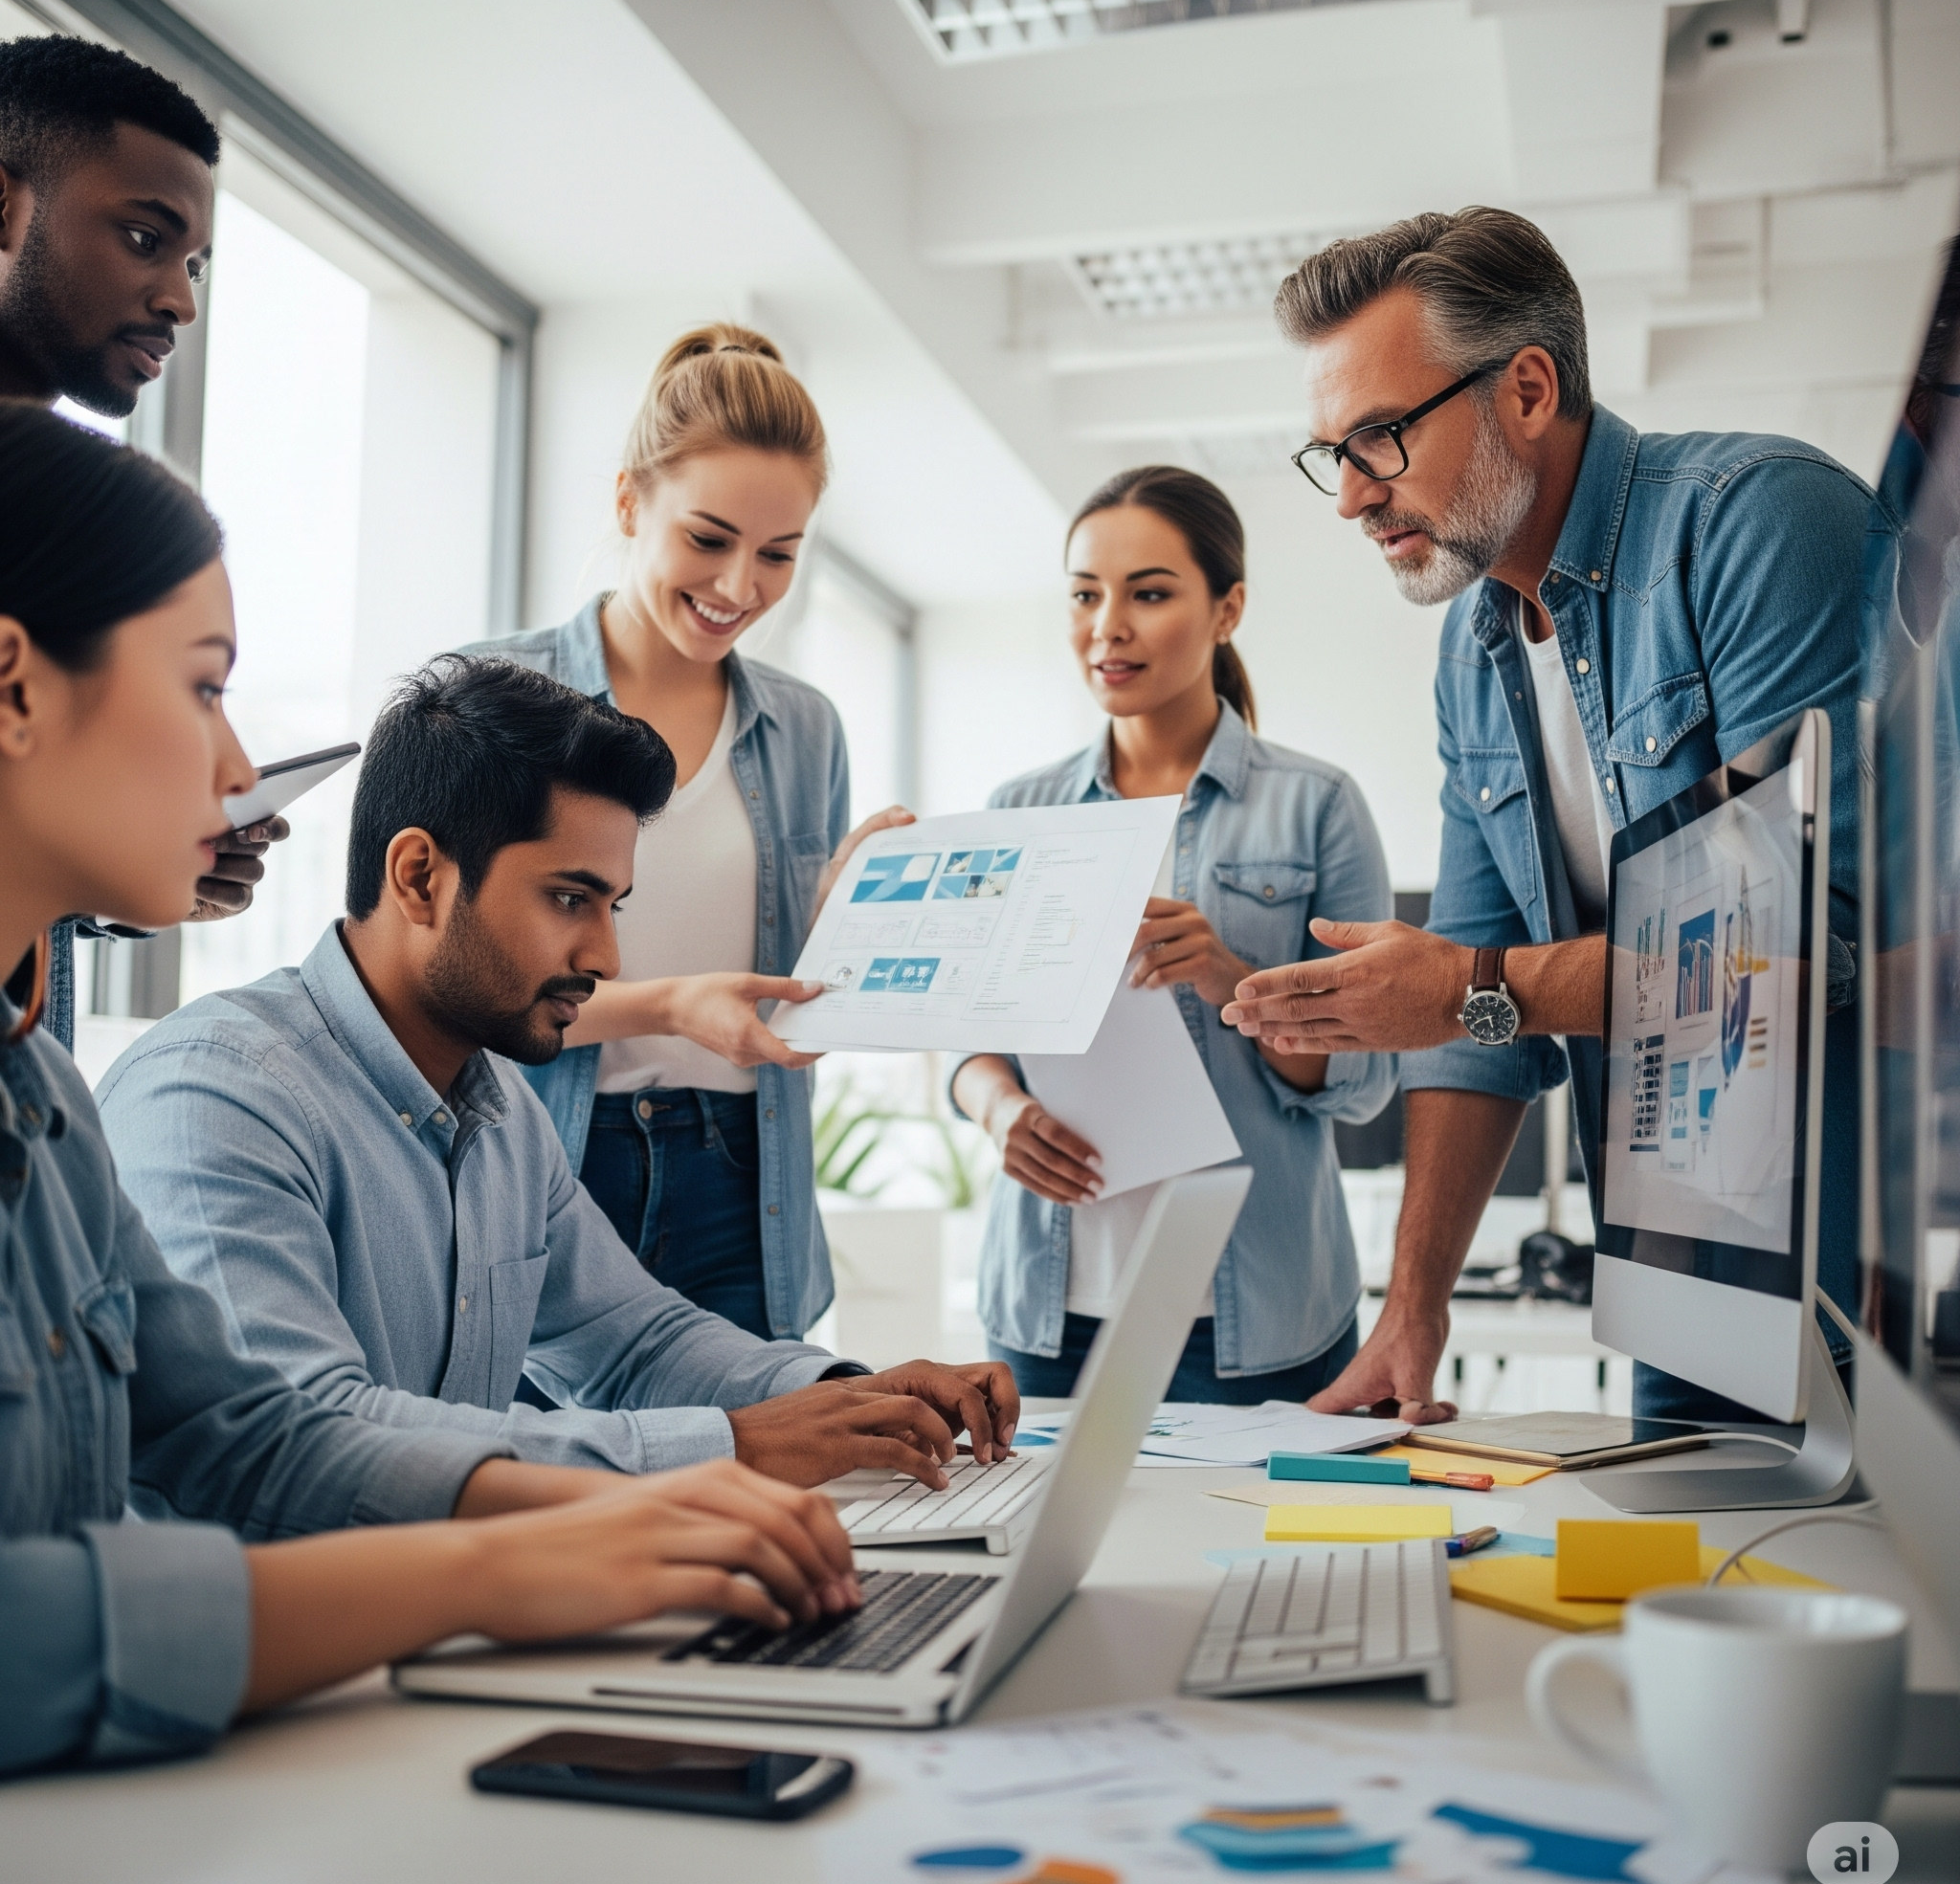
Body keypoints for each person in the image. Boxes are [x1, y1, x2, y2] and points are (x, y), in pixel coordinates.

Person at [0, 402, 861, 1781]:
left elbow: (246, 1433)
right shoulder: (210, 1089)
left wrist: (660, 1491)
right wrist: (508, 1557)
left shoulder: (45, 1090)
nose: (237, 774)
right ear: (15, 685)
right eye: (205, 687)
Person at [1219, 208, 1891, 1423]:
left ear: (1525, 388)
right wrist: (1409, 1312)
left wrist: (1480, 981)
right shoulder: (1473, 656)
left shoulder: (1756, 524)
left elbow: (1804, 953)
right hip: (1680, 1262)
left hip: (1853, 1285)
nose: (1351, 498)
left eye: (1378, 438)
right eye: (1333, 454)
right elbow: (1473, 1035)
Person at [99, 652, 1019, 1487]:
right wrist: (736, 1444)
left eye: (613, 903)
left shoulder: (499, 1113)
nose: (608, 956)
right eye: (569, 897)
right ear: (419, 877)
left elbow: (637, 1343)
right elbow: (301, 1438)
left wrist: (856, 1397)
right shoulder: (215, 1096)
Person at [460, 323, 908, 1345]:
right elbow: (455, 987)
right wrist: (674, 1004)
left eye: (778, 554)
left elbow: (791, 1004)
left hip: (746, 1188)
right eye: (708, 539)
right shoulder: (492, 697)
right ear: (629, 501)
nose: (739, 587)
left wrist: (856, 931)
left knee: (748, 1491)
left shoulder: (804, 728)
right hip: (548, 1164)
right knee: (561, 1492)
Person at [951, 467, 1394, 1403]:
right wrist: (1001, 1111)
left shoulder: (1315, 805)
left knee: (1253, 1553)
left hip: (1258, 1305)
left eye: (1148, 593)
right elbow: (971, 1040)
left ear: (1225, 607)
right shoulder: (1019, 809)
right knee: (1055, 1550)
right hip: (1048, 1305)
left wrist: (1235, 979)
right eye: (1084, 593)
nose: (1106, 624)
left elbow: (1363, 1082)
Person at [0, 35, 291, 1052]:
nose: (181, 299)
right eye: (141, 237)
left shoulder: (68, 515)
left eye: (193, 260)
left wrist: (133, 860)